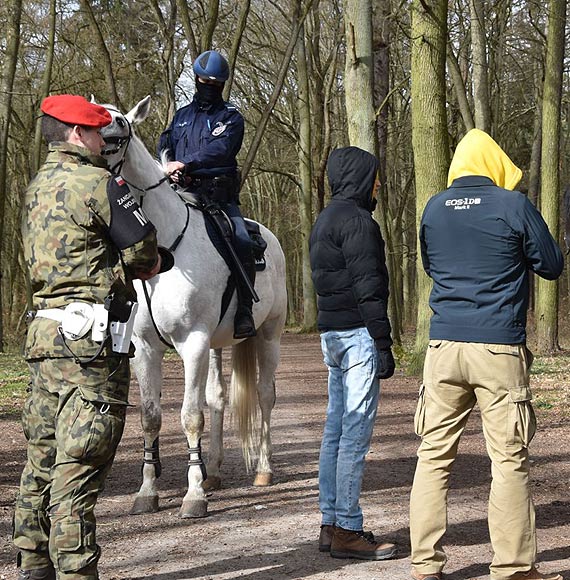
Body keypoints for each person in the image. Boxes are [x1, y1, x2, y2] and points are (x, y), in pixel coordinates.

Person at [13, 94, 165, 580]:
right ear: (77, 134)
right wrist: (138, 263)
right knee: (78, 470)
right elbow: (144, 252)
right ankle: (77, 572)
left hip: (43, 339)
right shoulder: (102, 184)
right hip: (90, 348)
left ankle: (32, 566)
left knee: (40, 462)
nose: (104, 141)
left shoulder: (35, 188)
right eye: (99, 133)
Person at [409, 129, 564, 580]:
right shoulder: (512, 205)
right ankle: (513, 567)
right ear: (495, 164)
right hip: (497, 347)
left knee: (432, 454)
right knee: (508, 458)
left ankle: (424, 564)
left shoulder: (434, 207)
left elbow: (431, 266)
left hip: (442, 348)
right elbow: (551, 265)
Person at [309, 146, 397, 561]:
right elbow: (369, 289)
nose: (378, 183)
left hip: (332, 335)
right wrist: (382, 343)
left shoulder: (324, 219)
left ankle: (330, 523)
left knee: (335, 433)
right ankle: (348, 528)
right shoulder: (359, 222)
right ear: (362, 177)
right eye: (375, 176)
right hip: (358, 337)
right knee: (354, 436)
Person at [158, 49, 256, 339]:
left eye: (216, 83)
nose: (209, 87)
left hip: (218, 198)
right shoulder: (181, 117)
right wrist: (168, 165)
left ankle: (245, 309)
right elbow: (166, 144)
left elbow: (222, 149)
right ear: (196, 79)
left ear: (222, 85)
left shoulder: (231, 118)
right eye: (204, 81)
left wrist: (188, 162)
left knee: (241, 239)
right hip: (181, 194)